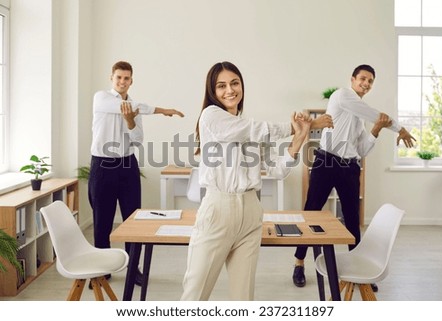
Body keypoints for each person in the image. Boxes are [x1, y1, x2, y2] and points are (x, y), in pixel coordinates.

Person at [180, 61, 333, 301]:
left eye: (234, 83)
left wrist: (300, 137)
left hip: (251, 212)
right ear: (212, 91)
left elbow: (277, 170)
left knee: (243, 299)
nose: (230, 90)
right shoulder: (211, 117)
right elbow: (255, 129)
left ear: (242, 86)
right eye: (221, 86)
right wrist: (301, 125)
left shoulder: (248, 128)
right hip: (218, 209)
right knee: (195, 295)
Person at [292, 64, 416, 291]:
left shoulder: (359, 118)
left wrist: (376, 129)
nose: (366, 84)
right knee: (311, 211)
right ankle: (299, 262)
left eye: (370, 81)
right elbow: (373, 114)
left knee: (352, 217)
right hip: (326, 161)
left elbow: (362, 150)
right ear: (352, 79)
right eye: (363, 79)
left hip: (349, 167)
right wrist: (399, 128)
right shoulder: (342, 96)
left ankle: (359, 268)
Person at [88, 61, 184, 287]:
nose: (122, 82)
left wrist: (130, 122)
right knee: (102, 220)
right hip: (103, 166)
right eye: (118, 77)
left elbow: (138, 139)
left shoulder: (134, 107)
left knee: (133, 219)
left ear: (132, 81)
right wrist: (162, 110)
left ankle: (133, 269)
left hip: (127, 165)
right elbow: (129, 107)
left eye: (127, 78)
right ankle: (101, 271)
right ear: (111, 78)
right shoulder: (101, 98)